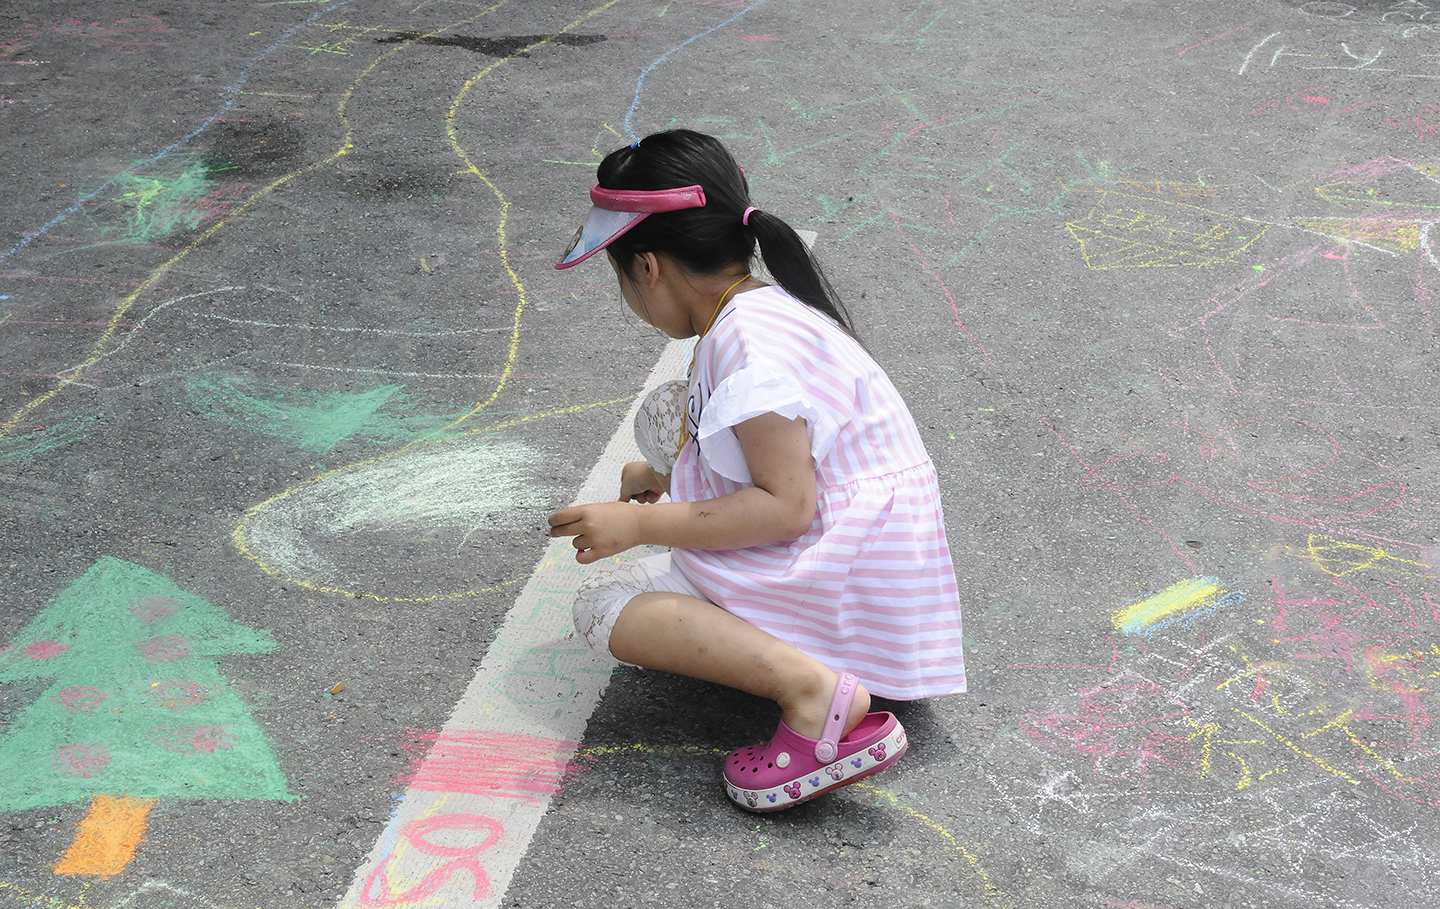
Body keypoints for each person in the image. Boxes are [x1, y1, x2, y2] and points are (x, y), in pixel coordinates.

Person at [548, 129, 965, 812]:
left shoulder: (750, 350)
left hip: (854, 587)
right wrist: (666, 478)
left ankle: (812, 693)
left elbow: (786, 506)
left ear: (648, 267)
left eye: (620, 274)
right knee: (667, 415)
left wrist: (640, 523)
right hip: (876, 563)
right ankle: (807, 651)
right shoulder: (759, 308)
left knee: (605, 607)